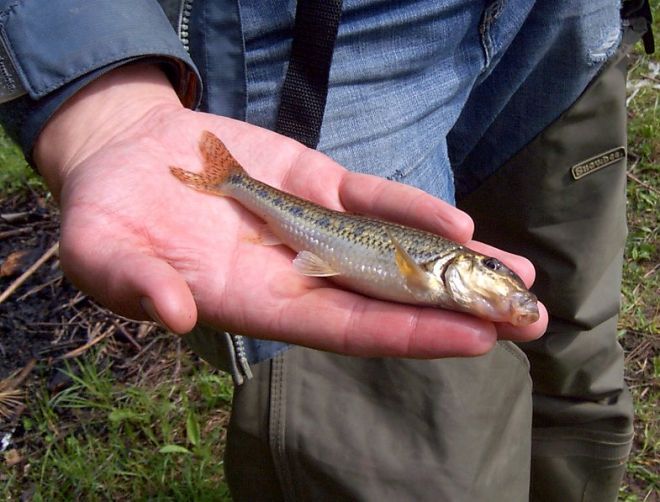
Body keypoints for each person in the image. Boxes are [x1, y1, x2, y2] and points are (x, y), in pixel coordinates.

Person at [0, 0, 650, 499]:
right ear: (465, 267)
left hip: (566, 27)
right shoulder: (437, 269)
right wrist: (102, 108)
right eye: (493, 270)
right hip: (310, 40)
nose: (505, 284)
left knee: (576, 366)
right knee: (398, 453)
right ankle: (233, 183)